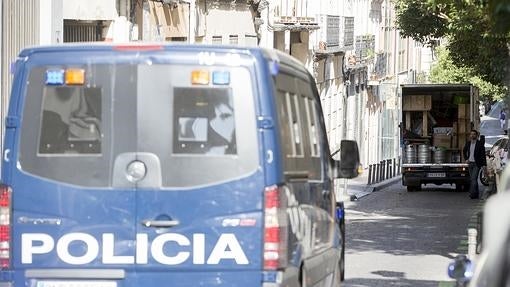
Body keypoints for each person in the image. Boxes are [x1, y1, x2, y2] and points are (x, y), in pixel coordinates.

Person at [463, 130, 487, 199]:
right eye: (471, 134)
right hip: (470, 163)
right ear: (470, 135)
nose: (472, 135)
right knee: (473, 179)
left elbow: (483, 155)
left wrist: (484, 165)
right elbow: (464, 151)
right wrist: (466, 159)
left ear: (476, 135)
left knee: (473, 178)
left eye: (474, 134)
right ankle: (476, 194)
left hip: (477, 164)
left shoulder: (480, 144)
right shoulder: (468, 143)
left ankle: (472, 194)